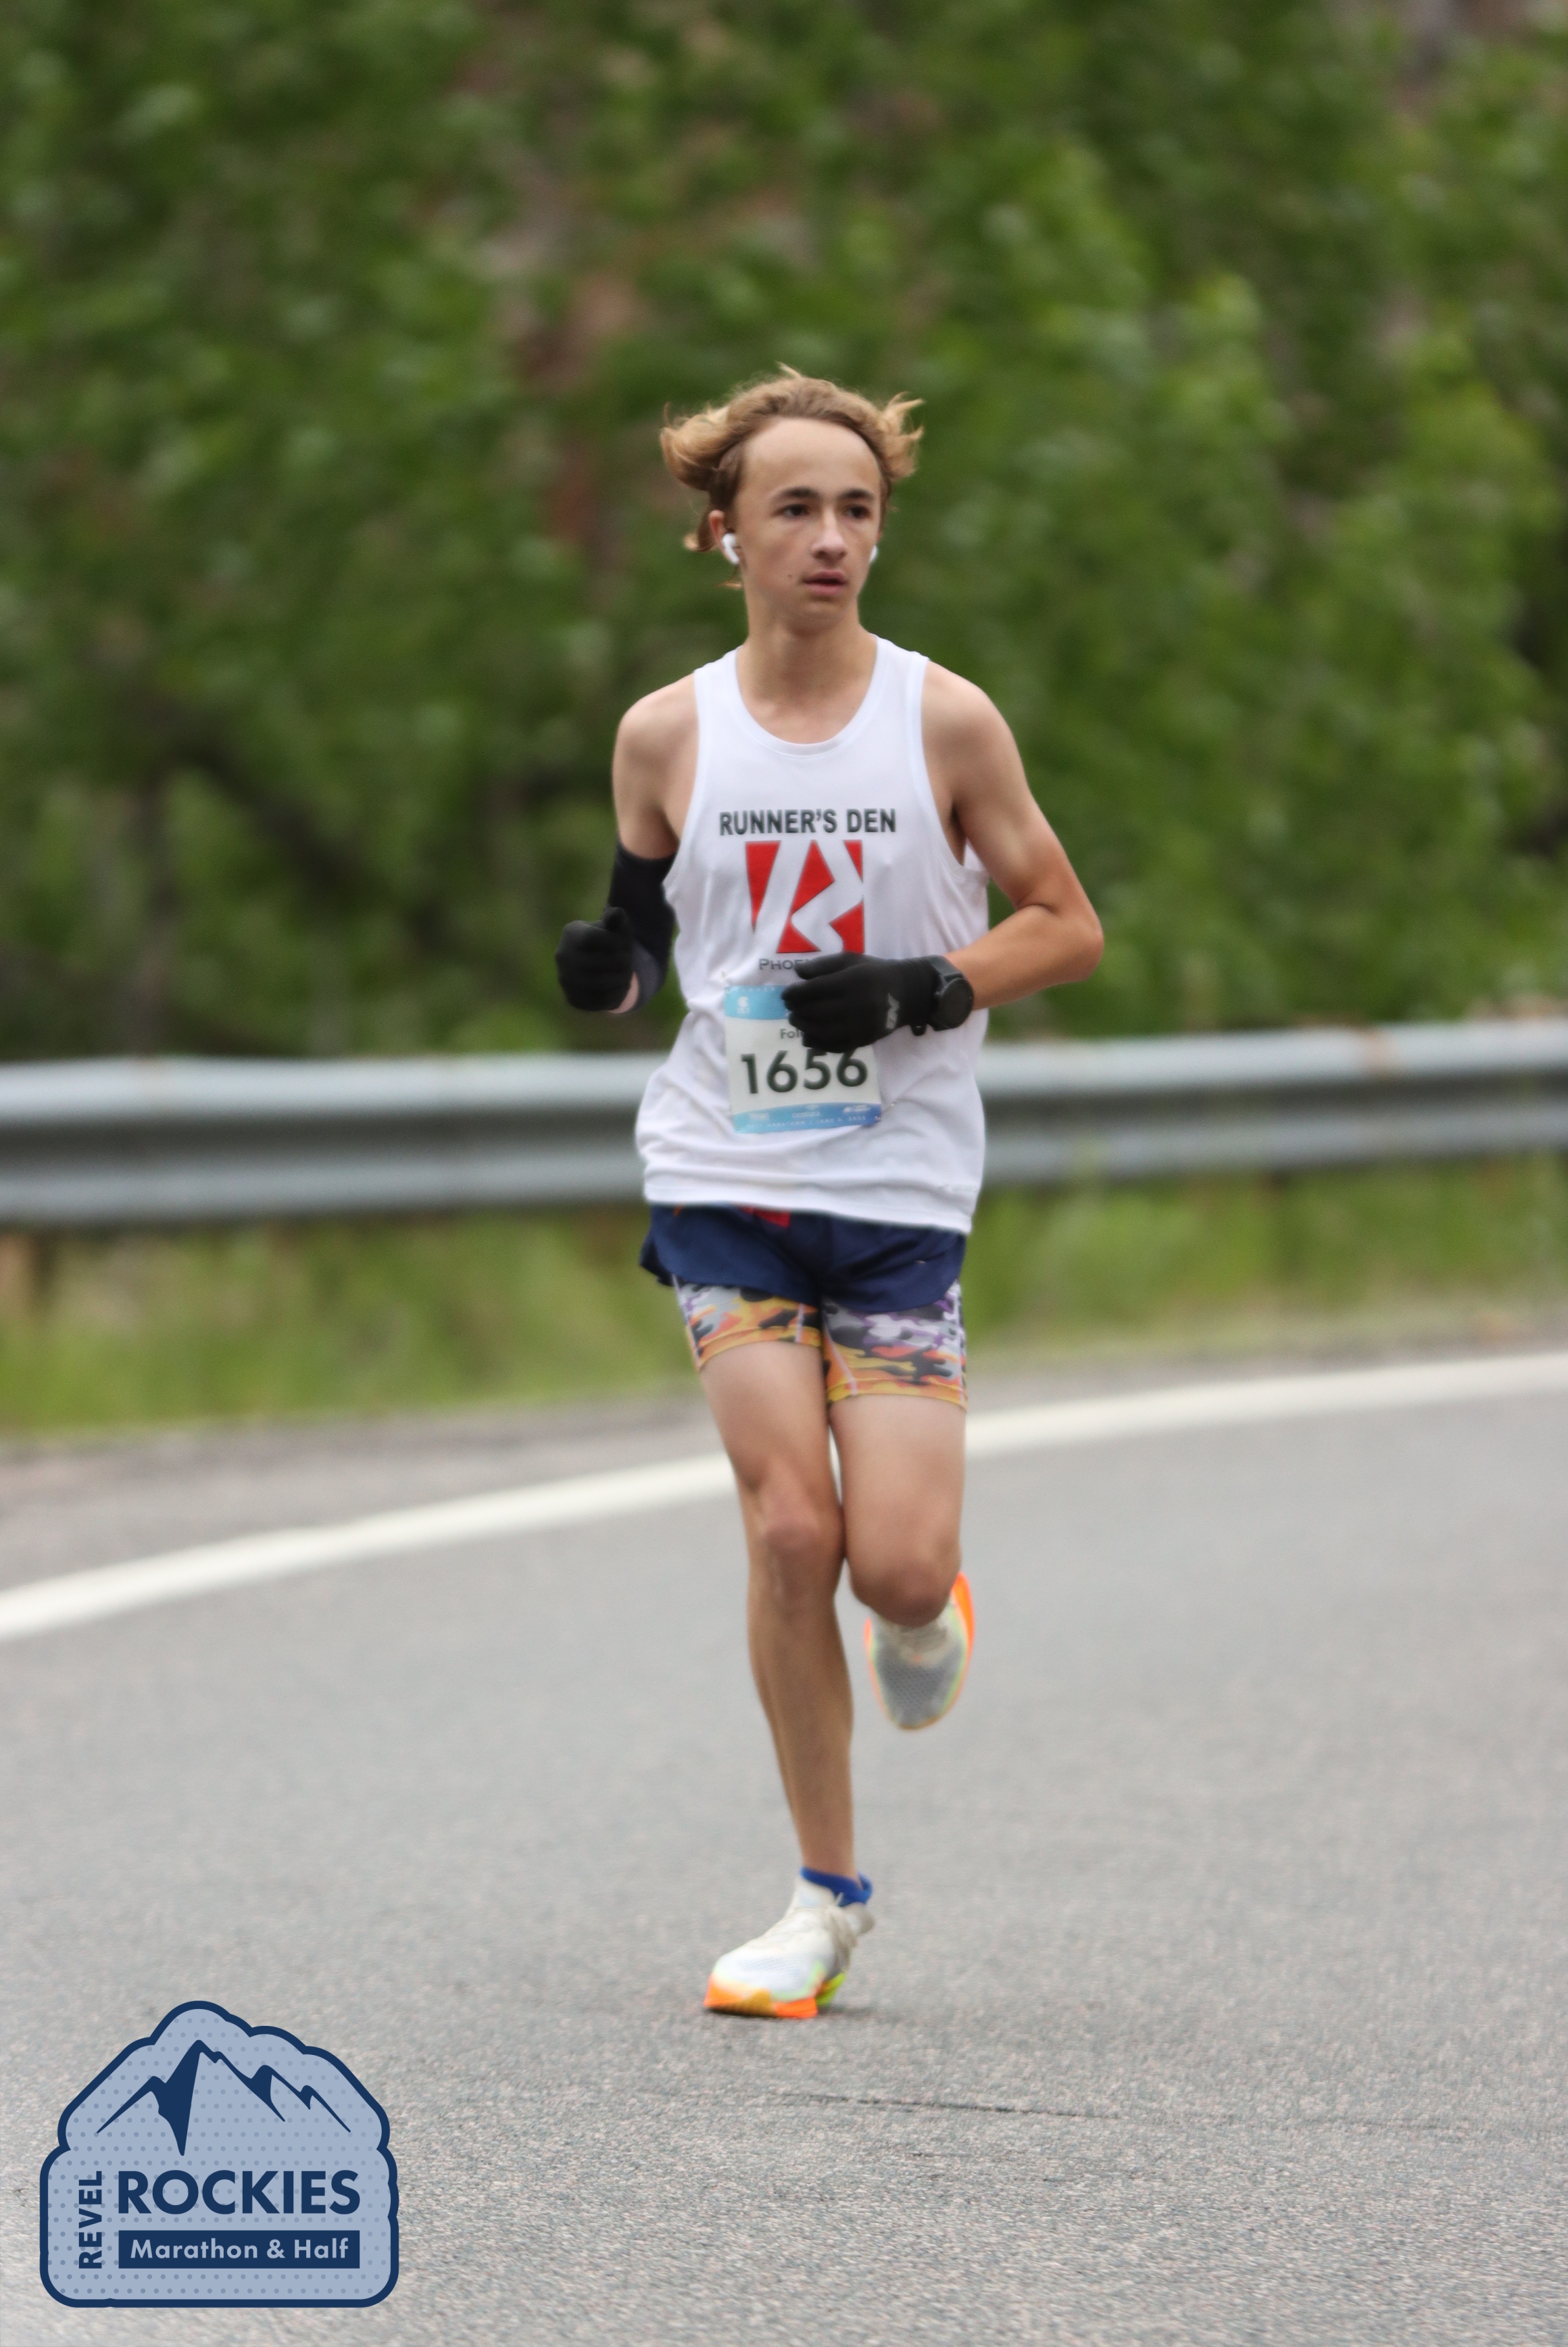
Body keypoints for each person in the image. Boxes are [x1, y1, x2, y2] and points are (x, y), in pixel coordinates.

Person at [556, 370, 1102, 2018]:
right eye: (794, 507)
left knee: (891, 1566)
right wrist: (604, 967)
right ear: (721, 530)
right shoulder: (664, 732)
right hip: (721, 1171)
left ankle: (922, 1609)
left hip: (897, 1186)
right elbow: (643, 939)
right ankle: (823, 1900)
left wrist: (925, 985)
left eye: (857, 509)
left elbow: (1065, 923)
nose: (830, 538)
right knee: (790, 1526)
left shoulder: (943, 719)